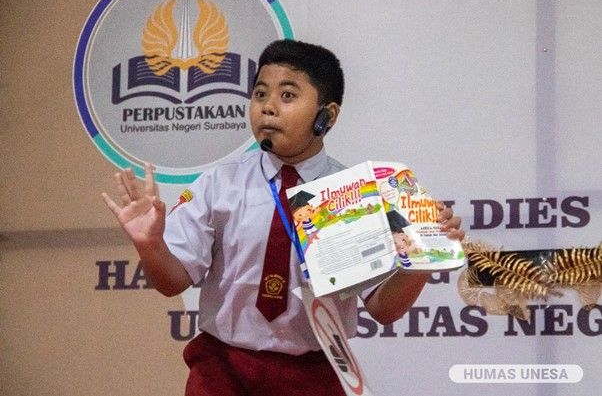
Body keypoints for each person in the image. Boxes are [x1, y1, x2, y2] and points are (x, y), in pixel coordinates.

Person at [102, 39, 465, 396]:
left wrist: (421, 260)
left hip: (314, 375)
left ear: (327, 115)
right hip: (221, 372)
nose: (268, 108)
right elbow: (171, 282)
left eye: (287, 96)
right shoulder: (219, 184)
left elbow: (383, 309)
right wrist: (150, 245)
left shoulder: (354, 196)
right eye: (260, 94)